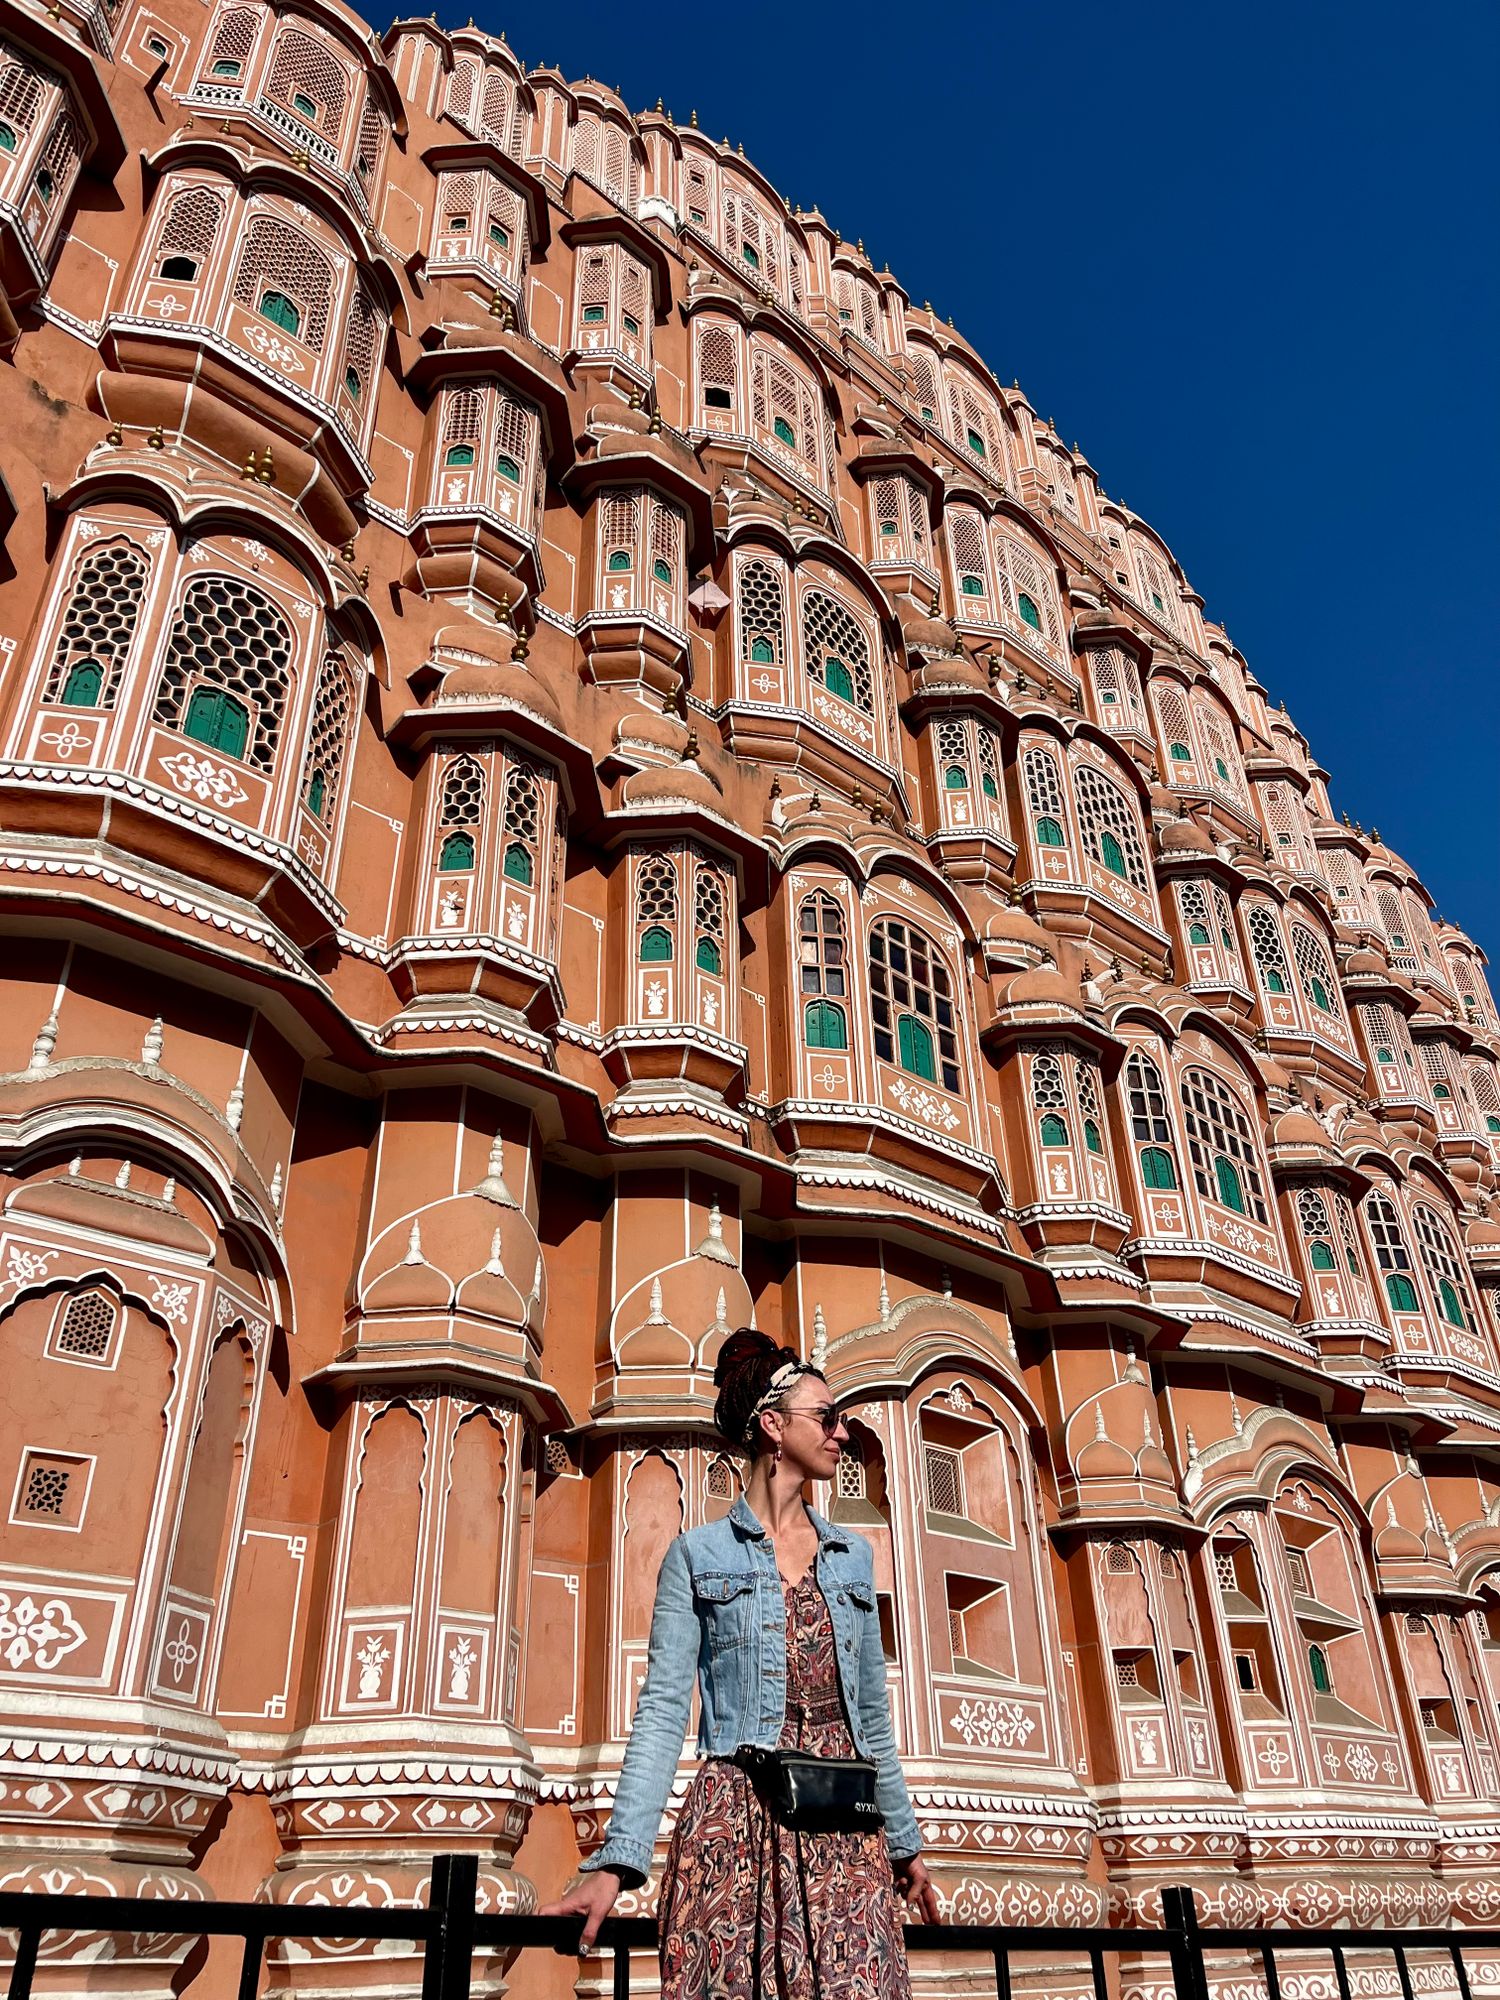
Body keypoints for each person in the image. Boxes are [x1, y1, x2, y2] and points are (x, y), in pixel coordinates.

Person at [542, 1328, 940, 1997]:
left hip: (845, 1838)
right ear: (774, 1426)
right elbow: (663, 1711)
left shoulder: (853, 1559)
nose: (842, 1433)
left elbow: (871, 1718)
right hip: (738, 1830)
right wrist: (617, 1862)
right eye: (827, 1417)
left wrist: (904, 1846)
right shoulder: (697, 1556)